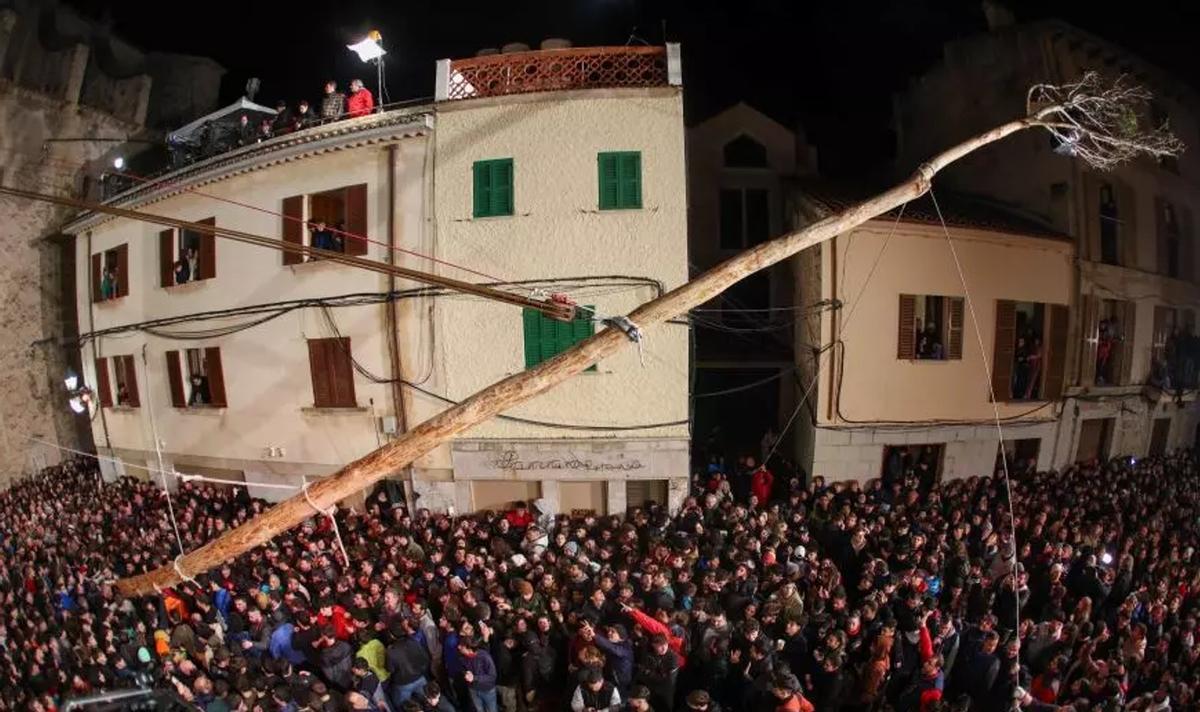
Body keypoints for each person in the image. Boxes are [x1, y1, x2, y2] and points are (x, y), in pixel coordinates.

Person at [458, 637, 498, 712]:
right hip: (473, 690)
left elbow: (492, 676)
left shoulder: (485, 657)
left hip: (487, 691)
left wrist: (474, 678)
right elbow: (462, 668)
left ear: (469, 650)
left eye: (462, 646)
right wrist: (465, 673)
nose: (458, 647)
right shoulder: (462, 656)